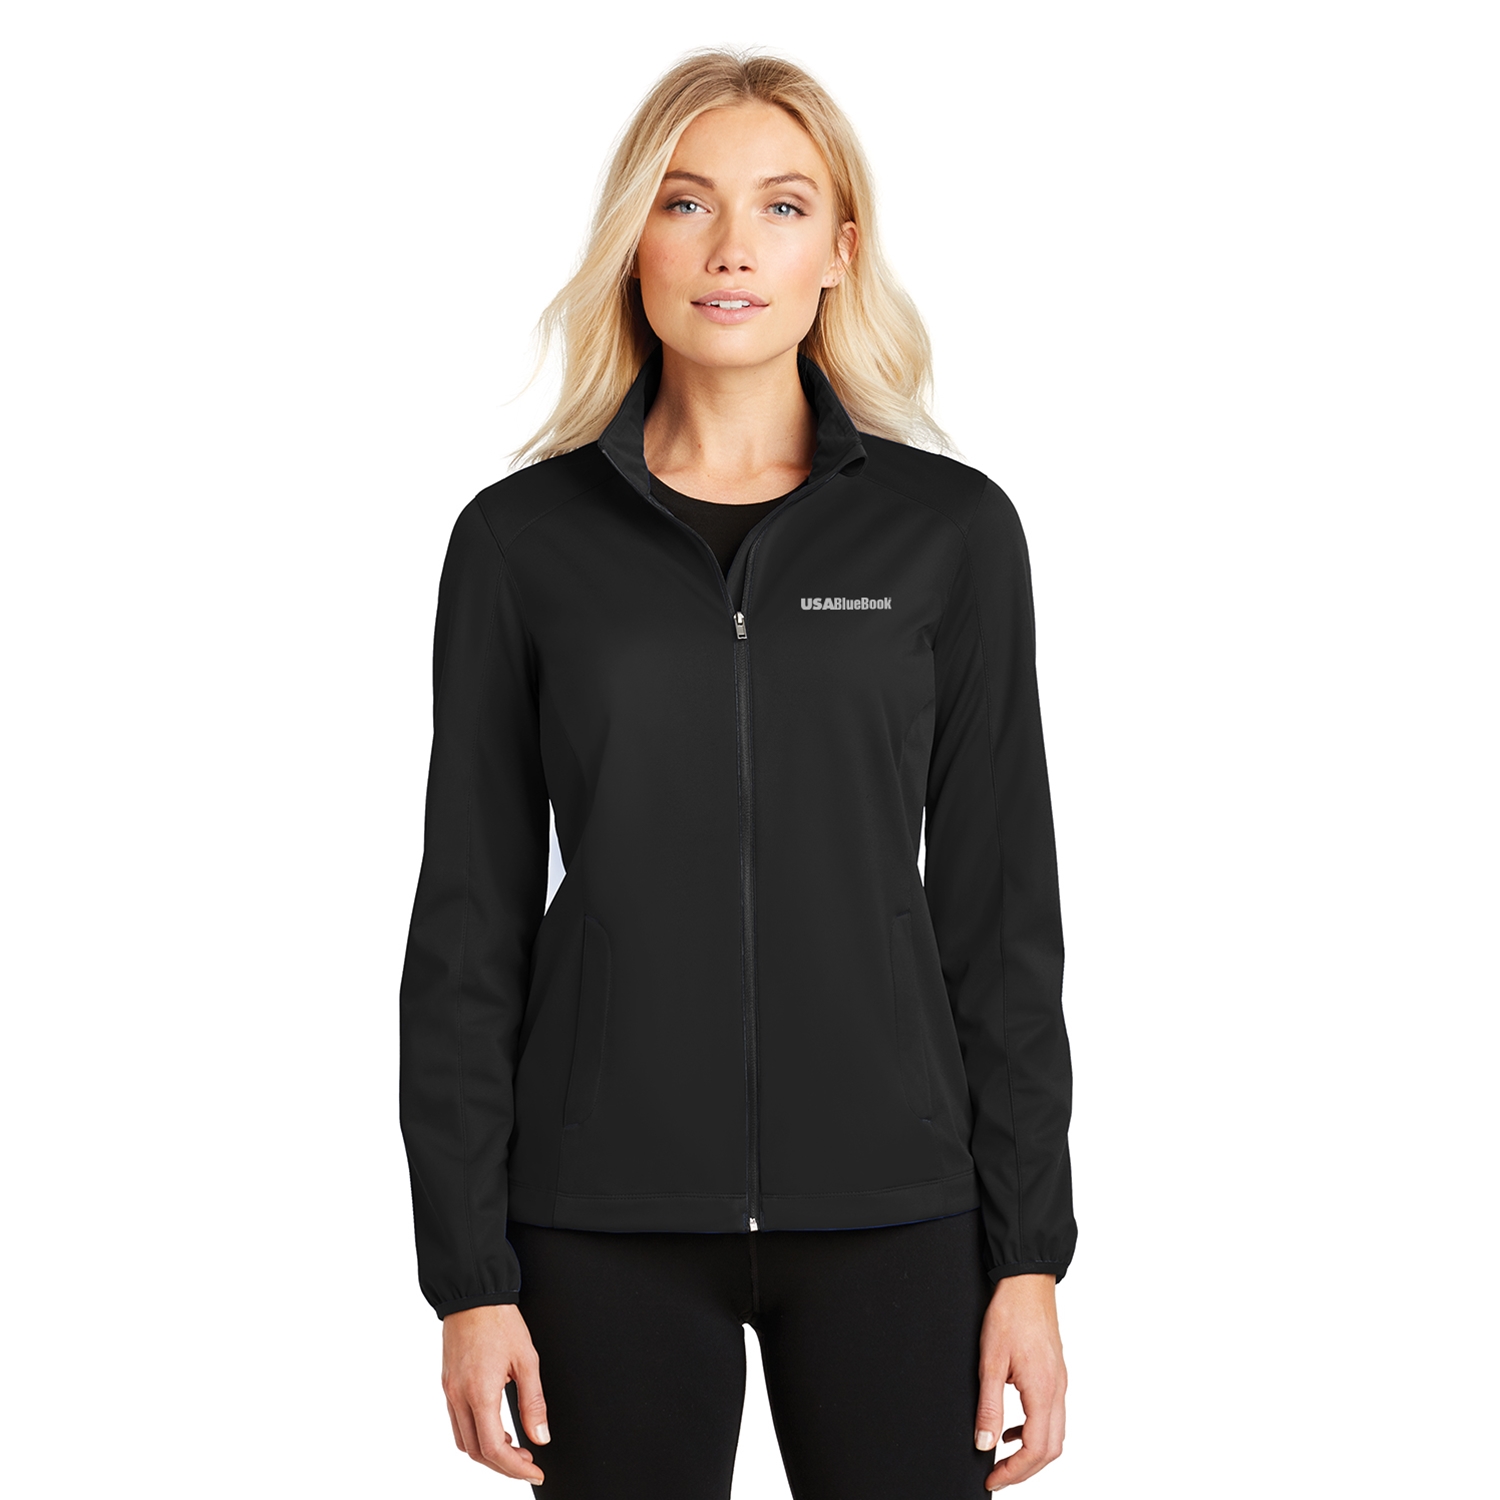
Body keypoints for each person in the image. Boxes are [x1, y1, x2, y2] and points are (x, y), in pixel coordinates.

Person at [398, 47, 1076, 1498]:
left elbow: (1001, 910)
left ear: (840, 251)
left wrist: (1027, 1257)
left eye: (781, 206)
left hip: (897, 1210)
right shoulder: (522, 545)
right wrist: (467, 1275)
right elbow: (467, 922)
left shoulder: (949, 535)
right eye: (686, 202)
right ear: (633, 239)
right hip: (599, 1215)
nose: (730, 249)